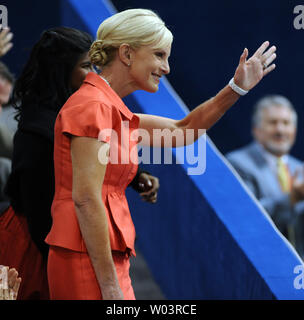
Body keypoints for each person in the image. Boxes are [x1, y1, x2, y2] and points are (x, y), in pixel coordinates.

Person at [44, 8, 277, 300]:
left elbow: (184, 129)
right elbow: (86, 199)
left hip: (102, 258)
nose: (166, 68)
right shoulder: (93, 106)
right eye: (159, 55)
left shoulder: (110, 107)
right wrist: (110, 287)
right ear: (127, 54)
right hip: (85, 262)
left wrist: (236, 88)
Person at [0, 26, 159, 300]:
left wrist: (135, 177)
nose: (94, 75)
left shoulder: (85, 107)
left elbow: (94, 154)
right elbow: (40, 217)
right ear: (60, 71)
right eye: (86, 66)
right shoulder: (35, 133)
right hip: (40, 250)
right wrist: (68, 270)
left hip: (76, 241)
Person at [226, 95, 304, 257]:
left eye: (286, 123)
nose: (280, 130)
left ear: (294, 131)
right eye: (273, 123)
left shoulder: (299, 168)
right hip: (261, 262)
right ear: (256, 130)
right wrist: (292, 197)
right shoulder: (238, 163)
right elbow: (246, 217)